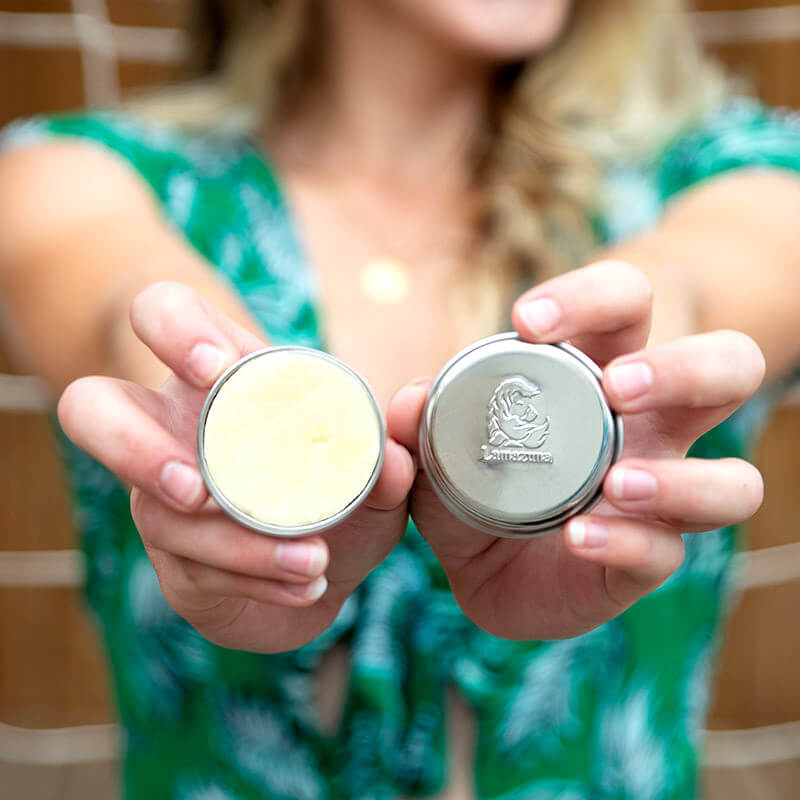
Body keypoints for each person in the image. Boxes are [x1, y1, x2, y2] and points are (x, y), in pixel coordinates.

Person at [0, 0, 799, 797]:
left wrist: (610, 388)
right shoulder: (74, 179)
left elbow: (684, 286)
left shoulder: (744, 174)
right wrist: (235, 491)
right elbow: (137, 316)